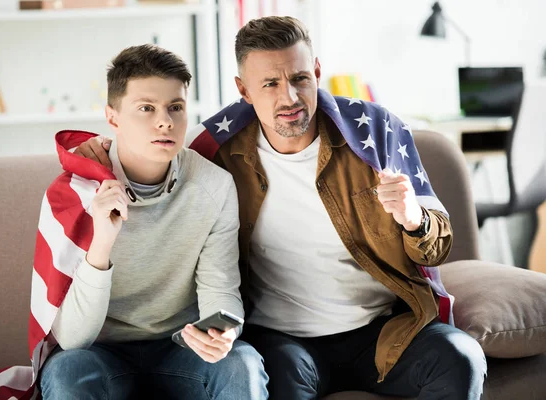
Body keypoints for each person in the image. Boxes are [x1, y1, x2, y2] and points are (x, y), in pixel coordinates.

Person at [75, 17, 487, 400]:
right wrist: (98, 155)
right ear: (243, 90)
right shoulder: (217, 150)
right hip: (282, 340)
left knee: (461, 357)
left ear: (318, 72)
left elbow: (435, 250)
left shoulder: (375, 133)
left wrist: (412, 219)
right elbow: (148, 148)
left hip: (384, 331)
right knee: (265, 377)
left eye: (299, 78)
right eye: (269, 83)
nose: (289, 97)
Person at [36, 44, 268, 399]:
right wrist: (101, 243)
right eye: (146, 108)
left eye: (176, 107)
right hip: (99, 353)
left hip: (182, 346)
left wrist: (223, 332)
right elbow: (72, 339)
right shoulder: (75, 193)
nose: (165, 121)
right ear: (112, 117)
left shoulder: (214, 185)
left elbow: (219, 286)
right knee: (68, 372)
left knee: (243, 363)